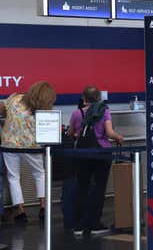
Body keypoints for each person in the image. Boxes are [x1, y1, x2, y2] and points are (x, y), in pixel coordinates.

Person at [68, 86, 124, 235]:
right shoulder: (104, 111)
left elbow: (71, 133)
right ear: (99, 98)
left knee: (82, 187)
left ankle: (79, 225)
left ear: (83, 98)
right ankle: (95, 224)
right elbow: (110, 133)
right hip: (101, 153)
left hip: (82, 154)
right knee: (98, 189)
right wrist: (119, 138)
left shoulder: (76, 113)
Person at [2, 81, 56, 223]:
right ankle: (43, 207)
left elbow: (2, 109)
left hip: (9, 144)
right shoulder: (43, 108)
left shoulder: (14, 98)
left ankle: (20, 211)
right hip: (32, 146)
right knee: (39, 174)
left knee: (13, 177)